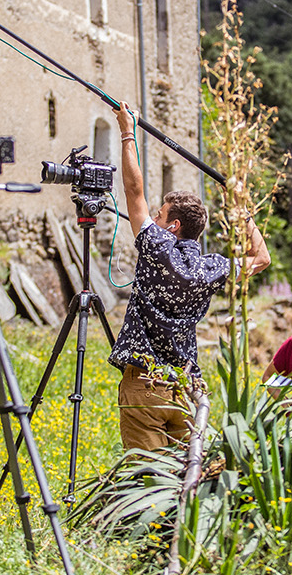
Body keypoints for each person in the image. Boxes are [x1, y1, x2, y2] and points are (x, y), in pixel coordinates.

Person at [109, 101, 272, 451]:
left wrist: (127, 133)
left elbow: (133, 193)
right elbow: (261, 257)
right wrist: (242, 209)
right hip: (184, 388)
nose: (154, 216)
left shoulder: (157, 245)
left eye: (161, 213)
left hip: (145, 387)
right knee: (184, 481)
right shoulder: (212, 268)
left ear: (173, 225)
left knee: (146, 482)